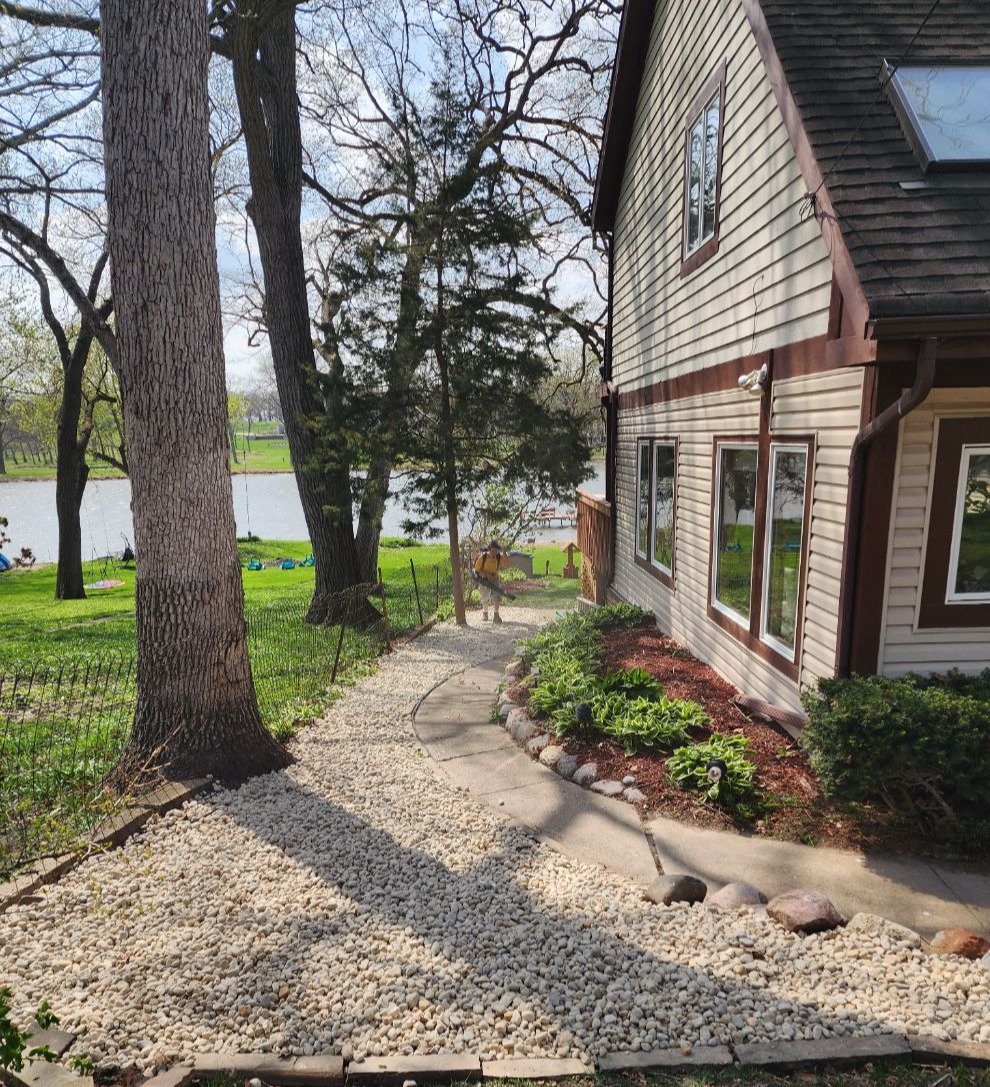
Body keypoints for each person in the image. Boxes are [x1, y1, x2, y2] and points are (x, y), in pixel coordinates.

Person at [473, 541, 511, 623]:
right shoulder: (482, 557)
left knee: (496, 596)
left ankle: (496, 615)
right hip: (484, 579)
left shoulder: (498, 557)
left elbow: (508, 565)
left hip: (495, 579)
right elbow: (476, 569)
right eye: (493, 550)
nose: (494, 552)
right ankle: (485, 613)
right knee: (485, 596)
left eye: (496, 550)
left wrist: (504, 554)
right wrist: (486, 574)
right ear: (489, 549)